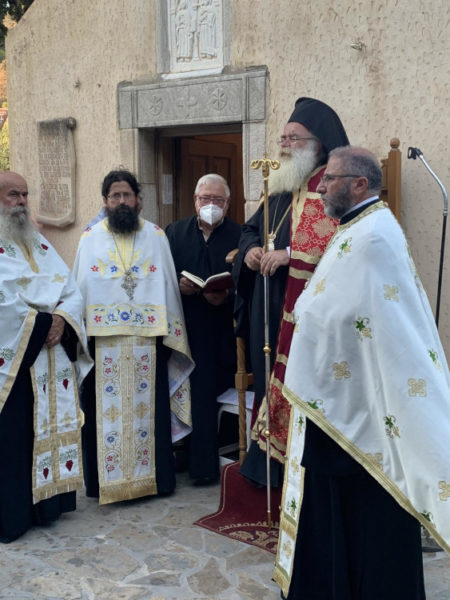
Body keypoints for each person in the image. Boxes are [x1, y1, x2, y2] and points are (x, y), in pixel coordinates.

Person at [275, 146, 450, 599]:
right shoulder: (357, 227)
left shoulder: (372, 236)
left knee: (368, 513)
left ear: (359, 184)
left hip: (360, 406)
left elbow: (357, 316)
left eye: (330, 178)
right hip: (345, 400)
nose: (320, 187)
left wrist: (309, 318)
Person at [234, 97, 349, 486]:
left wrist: (287, 255)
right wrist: (251, 251)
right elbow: (250, 229)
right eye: (282, 137)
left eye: (293, 138)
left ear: (318, 144)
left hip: (301, 308)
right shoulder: (282, 185)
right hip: (266, 302)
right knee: (266, 376)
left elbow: (341, 247)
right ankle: (265, 466)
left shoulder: (330, 188)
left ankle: (296, 470)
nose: (284, 145)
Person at [73, 170, 193, 504]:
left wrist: (171, 334)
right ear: (105, 201)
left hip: (148, 343)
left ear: (138, 199)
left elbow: (167, 287)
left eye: (127, 195)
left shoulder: (156, 236)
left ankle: (156, 481)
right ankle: (102, 484)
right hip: (103, 344)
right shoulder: (89, 238)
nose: (122, 201)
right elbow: (80, 289)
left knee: (149, 414)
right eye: (115, 196)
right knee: (101, 416)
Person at [0, 171, 91, 543]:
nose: (21, 202)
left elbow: (70, 287)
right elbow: (3, 304)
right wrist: (42, 324)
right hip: (16, 362)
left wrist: (62, 319)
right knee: (16, 436)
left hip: (50, 356)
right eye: (13, 195)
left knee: (46, 428)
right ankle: (15, 514)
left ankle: (49, 506)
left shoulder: (37, 241)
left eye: (24, 194)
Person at [166, 174, 241, 484]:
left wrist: (227, 295)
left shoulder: (240, 235)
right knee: (176, 392)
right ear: (195, 201)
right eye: (205, 199)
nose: (211, 204)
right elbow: (163, 274)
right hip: (182, 327)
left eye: (218, 200)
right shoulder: (174, 232)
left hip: (218, 331)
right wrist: (178, 285)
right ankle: (177, 456)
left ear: (228, 203)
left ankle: (203, 468)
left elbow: (248, 284)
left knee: (205, 396)